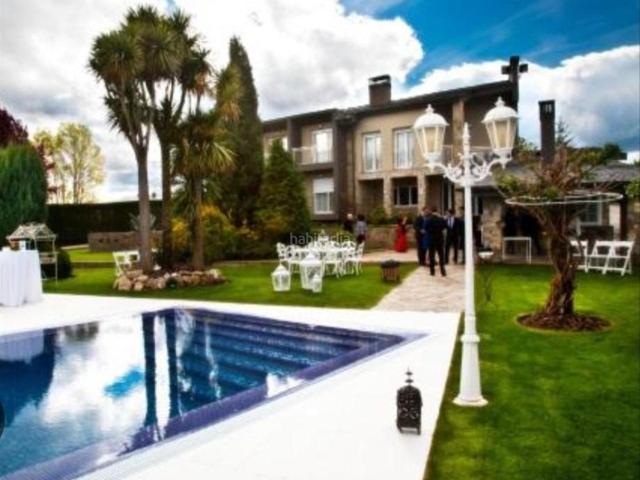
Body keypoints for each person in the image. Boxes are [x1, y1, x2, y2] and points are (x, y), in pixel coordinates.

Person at [425, 207, 446, 276]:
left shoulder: (429, 219)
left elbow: (426, 228)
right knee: (441, 256)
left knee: (431, 256)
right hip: (439, 239)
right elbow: (444, 226)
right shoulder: (441, 219)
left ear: (431, 211)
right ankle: (443, 271)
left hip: (431, 240)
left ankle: (432, 271)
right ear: (437, 211)